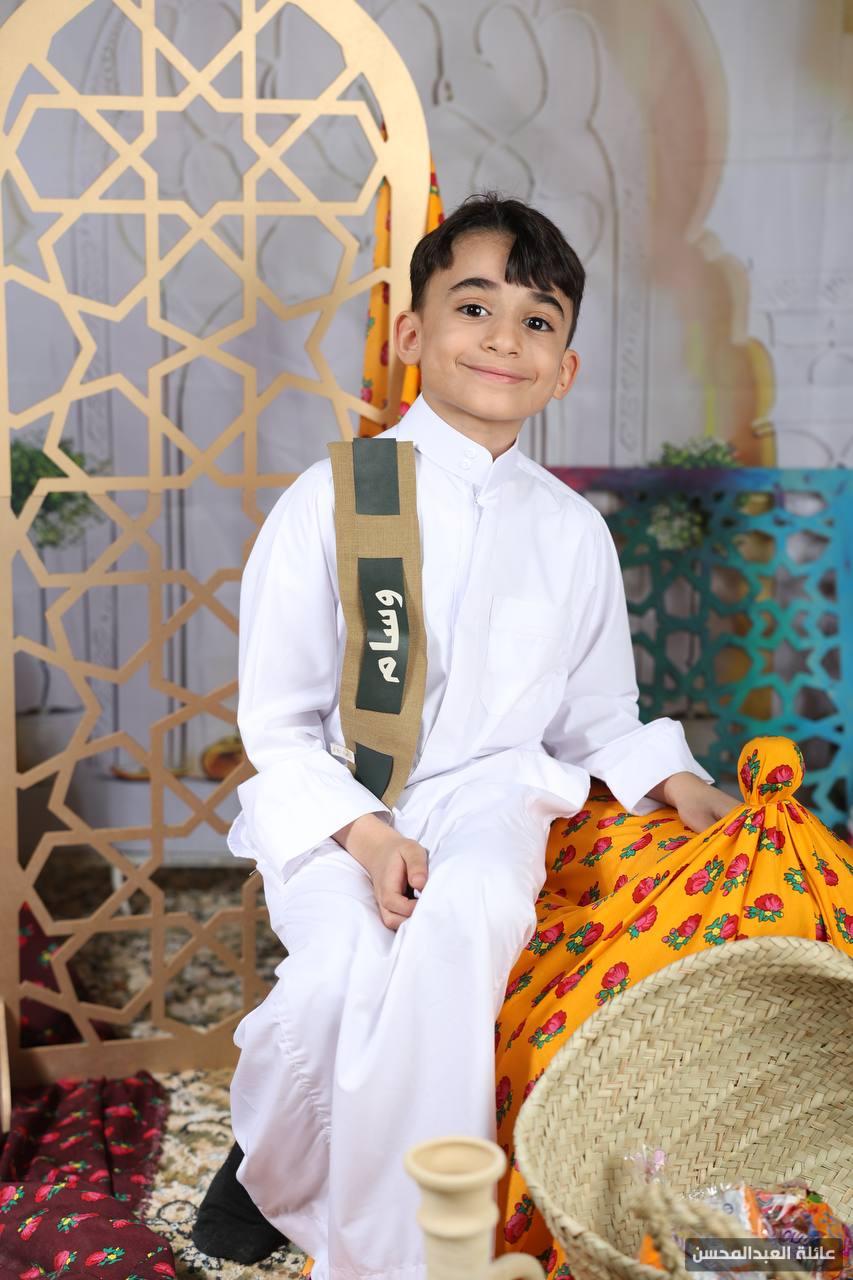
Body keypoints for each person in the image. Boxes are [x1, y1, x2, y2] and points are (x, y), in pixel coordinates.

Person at [192, 193, 738, 1279]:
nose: (502, 338)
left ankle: (398, 1251)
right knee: (340, 974)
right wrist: (367, 835)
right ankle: (275, 1166)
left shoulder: (571, 532)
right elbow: (278, 724)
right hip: (342, 801)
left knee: (472, 911)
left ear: (564, 369)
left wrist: (676, 778)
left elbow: (596, 713)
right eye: (473, 306)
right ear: (412, 333)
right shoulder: (334, 501)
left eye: (536, 321)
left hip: (490, 793)